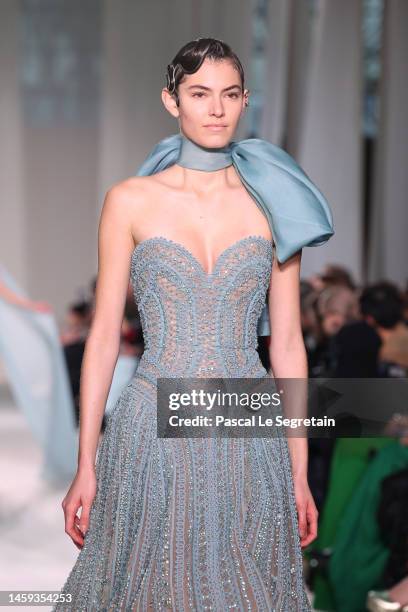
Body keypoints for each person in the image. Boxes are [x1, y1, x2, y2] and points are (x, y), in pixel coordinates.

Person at [53, 38, 334, 610]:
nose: (215, 109)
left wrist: (299, 470)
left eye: (229, 95)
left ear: (244, 100)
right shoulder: (130, 200)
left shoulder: (273, 202)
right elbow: (103, 338)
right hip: (151, 429)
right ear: (171, 99)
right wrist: (86, 462)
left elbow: (286, 344)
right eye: (199, 93)